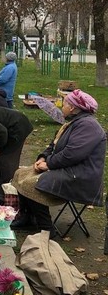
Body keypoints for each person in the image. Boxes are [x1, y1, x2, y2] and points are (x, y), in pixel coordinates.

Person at [11, 90, 106, 236]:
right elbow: (53, 145)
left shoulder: (88, 126)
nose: (61, 106)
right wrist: (43, 158)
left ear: (72, 108)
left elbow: (72, 154)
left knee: (33, 183)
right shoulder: (72, 123)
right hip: (68, 168)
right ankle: (27, 217)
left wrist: (48, 164)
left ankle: (47, 229)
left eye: (65, 103)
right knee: (20, 174)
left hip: (81, 176)